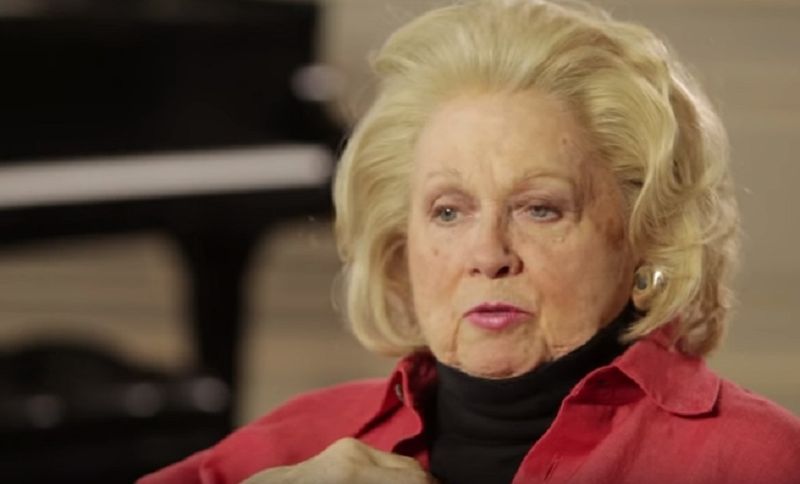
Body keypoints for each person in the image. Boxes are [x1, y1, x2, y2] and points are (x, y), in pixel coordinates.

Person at [140, 1, 800, 482]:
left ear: (644, 239)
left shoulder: (757, 460)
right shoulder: (295, 447)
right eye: (449, 212)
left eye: (540, 209)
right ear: (401, 243)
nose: (488, 255)